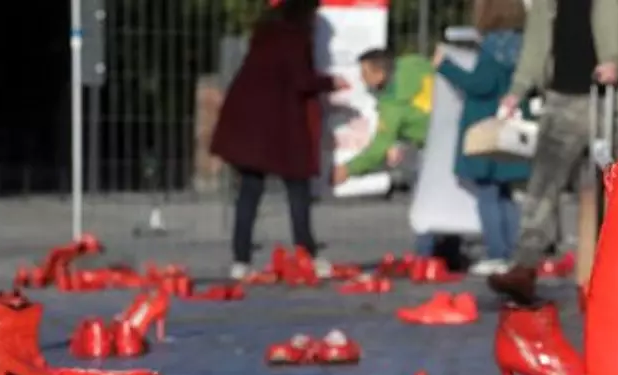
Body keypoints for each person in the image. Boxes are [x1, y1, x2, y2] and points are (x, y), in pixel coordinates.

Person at [486, 0, 618, 306]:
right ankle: (524, 267)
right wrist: (518, 89)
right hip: (562, 97)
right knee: (543, 183)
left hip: (614, 99)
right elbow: (537, 39)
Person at [211, 0, 349, 281]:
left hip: (248, 117)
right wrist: (330, 82)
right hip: (281, 124)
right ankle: (306, 253)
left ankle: (240, 259)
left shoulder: (265, 30)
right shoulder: (297, 37)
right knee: (298, 190)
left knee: (249, 190)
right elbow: (301, 80)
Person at [434, 0, 531, 276]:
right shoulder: (521, 44)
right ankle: (514, 252)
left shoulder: (492, 47)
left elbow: (481, 85)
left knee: (487, 194)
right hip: (510, 126)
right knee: (506, 195)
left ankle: (497, 253)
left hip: (485, 127)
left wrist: (447, 66)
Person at [333, 48, 438, 257]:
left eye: (365, 74)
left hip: (433, 146)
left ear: (380, 74)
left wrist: (347, 169)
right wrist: (399, 140)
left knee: (425, 201)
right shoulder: (412, 63)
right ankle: (447, 252)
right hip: (450, 132)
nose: (362, 81)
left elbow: (378, 148)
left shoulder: (392, 106)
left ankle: (427, 256)